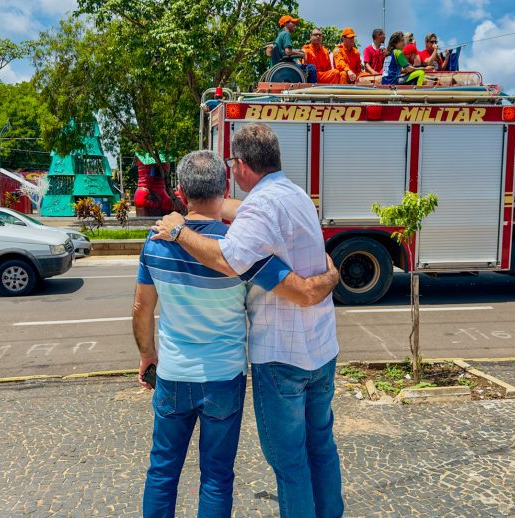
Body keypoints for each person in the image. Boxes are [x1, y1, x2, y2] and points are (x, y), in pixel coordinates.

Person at [152, 124, 344, 517]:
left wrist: (179, 231)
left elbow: (227, 260)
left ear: (240, 165)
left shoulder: (258, 209)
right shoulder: (295, 195)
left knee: (290, 462)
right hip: (322, 350)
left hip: (282, 356)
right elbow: (238, 209)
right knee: (321, 446)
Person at [271, 15, 317, 83]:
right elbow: (288, 52)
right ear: (286, 23)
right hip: (286, 67)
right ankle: (312, 88)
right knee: (311, 68)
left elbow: (284, 51)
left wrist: (298, 51)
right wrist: (302, 54)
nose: (295, 25)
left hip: (280, 66)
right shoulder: (286, 34)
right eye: (293, 23)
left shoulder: (280, 34)